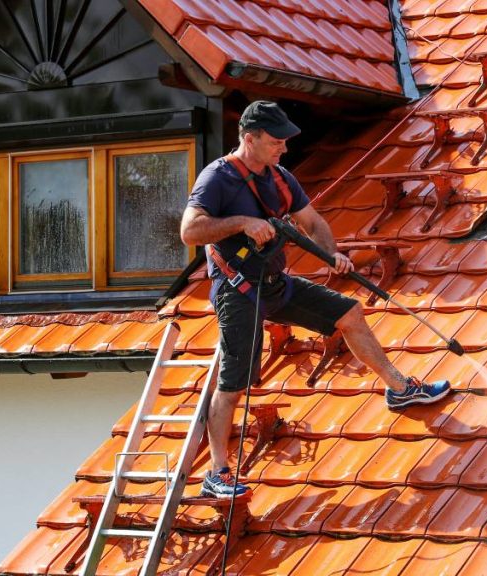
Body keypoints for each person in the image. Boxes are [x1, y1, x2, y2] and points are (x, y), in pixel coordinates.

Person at [180, 100, 451, 498]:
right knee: (234, 382)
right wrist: (242, 222)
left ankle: (398, 388)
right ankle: (217, 473)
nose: (283, 149)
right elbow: (190, 232)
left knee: (350, 312)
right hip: (238, 292)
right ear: (249, 139)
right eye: (275, 142)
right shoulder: (217, 179)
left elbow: (312, 222)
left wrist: (333, 254)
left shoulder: (281, 177)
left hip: (274, 283)